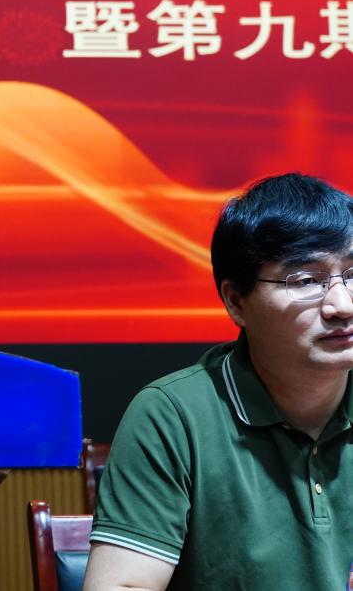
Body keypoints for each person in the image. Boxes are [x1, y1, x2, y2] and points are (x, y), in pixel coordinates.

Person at [83, 173, 353, 591]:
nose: (342, 305)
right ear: (235, 301)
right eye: (306, 281)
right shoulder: (173, 416)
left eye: (351, 274)